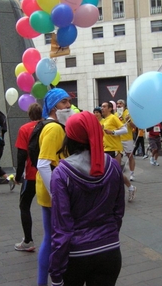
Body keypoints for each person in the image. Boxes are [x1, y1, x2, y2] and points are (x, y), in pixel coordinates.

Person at [49, 111, 125, 286]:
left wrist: (56, 272)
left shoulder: (61, 173)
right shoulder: (113, 166)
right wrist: (108, 235)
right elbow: (118, 212)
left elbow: (61, 227)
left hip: (76, 255)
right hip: (110, 251)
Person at [36, 88, 72, 286]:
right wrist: (56, 194)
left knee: (50, 238)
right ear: (53, 106)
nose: (68, 106)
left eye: (68, 102)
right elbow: (43, 163)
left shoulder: (53, 126)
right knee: (51, 239)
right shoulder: (54, 128)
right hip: (53, 191)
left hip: (51, 189)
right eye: (64, 102)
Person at [13, 103, 42, 252]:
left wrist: (18, 176)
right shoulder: (48, 126)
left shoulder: (24, 129)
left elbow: (21, 155)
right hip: (49, 172)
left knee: (24, 206)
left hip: (31, 174)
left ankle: (28, 240)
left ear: (29, 114)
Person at [101, 101, 136, 202]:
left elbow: (125, 129)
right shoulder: (104, 120)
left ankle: (130, 187)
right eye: (101, 107)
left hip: (115, 148)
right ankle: (109, 194)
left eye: (104, 106)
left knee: (116, 172)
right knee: (107, 172)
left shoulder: (113, 117)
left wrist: (113, 132)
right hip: (105, 149)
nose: (102, 108)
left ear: (110, 108)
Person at [116, 99, 137, 181]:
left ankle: (132, 173)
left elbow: (134, 126)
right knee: (118, 157)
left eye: (120, 104)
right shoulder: (115, 114)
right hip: (117, 139)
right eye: (117, 104)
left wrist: (129, 121)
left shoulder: (129, 113)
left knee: (130, 156)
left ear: (124, 105)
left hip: (127, 138)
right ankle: (118, 174)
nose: (118, 105)